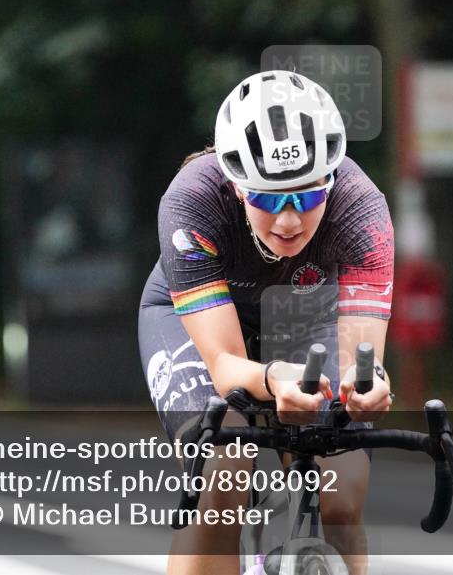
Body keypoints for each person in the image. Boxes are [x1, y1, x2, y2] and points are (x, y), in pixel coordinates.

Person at [139, 70, 394, 575]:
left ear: (331, 178)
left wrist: (367, 388)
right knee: (224, 473)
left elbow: (363, 364)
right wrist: (273, 377)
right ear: (236, 187)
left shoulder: (363, 211)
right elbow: (226, 364)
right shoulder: (191, 202)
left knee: (341, 494)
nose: (289, 220)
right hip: (198, 318)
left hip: (303, 312)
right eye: (267, 198)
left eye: (307, 195)